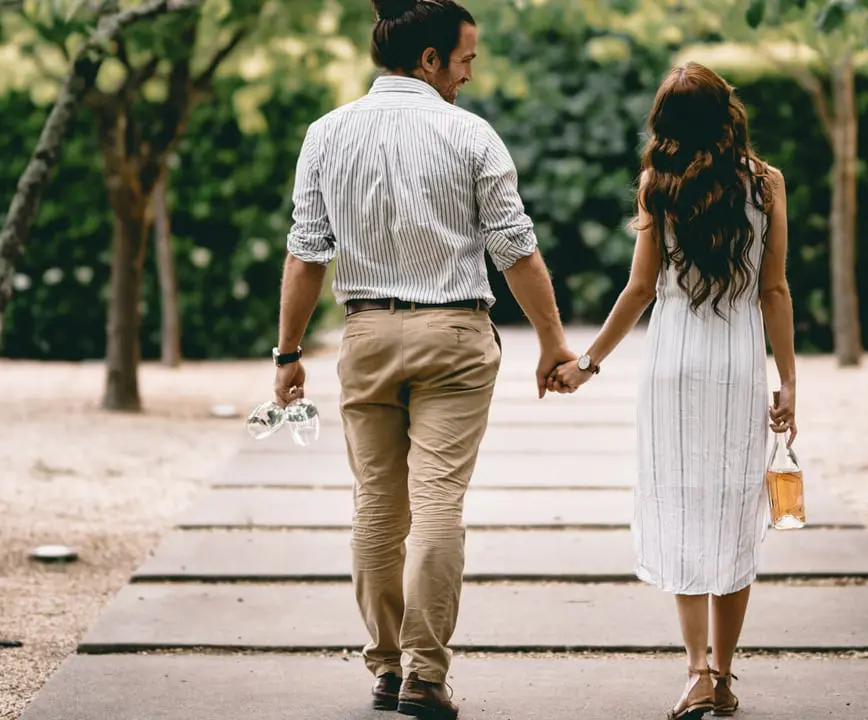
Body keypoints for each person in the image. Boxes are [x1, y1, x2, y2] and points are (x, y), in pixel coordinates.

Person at [270, 0, 572, 717]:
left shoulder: (326, 133)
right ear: (430, 59)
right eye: (465, 59)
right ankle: (425, 677)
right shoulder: (470, 134)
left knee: (377, 507)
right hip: (456, 339)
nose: (469, 74)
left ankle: (384, 668)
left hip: (368, 334)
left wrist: (286, 353)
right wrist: (554, 342)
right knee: (438, 503)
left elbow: (306, 253)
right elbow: (515, 249)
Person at [551, 62, 798, 719]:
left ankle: (695, 672)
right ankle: (724, 675)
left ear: (666, 122)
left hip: (672, 367)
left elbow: (638, 290)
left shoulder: (655, 185)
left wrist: (588, 363)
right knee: (734, 510)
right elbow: (774, 290)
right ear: (728, 114)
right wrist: (790, 381)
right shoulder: (767, 184)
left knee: (682, 511)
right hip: (737, 368)